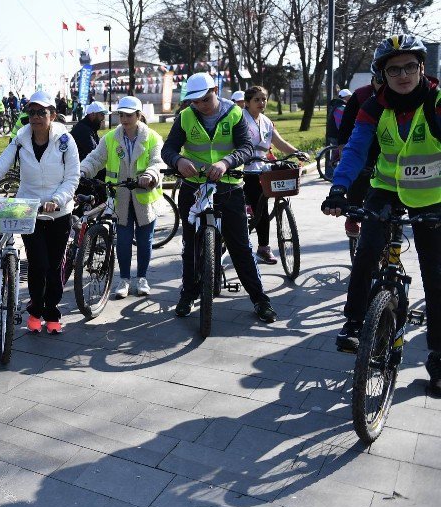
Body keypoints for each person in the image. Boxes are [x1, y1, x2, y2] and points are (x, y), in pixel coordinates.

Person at [321, 35, 441, 387]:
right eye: (393, 69)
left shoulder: (435, 103)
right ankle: (355, 324)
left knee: (435, 274)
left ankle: (437, 355)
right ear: (383, 74)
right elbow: (356, 148)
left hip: (432, 197)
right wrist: (339, 188)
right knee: (366, 251)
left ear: (421, 68)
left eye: (409, 66)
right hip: (386, 189)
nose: (402, 74)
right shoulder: (374, 107)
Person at [161, 72, 278, 324]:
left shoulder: (234, 114)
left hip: (229, 188)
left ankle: (259, 299)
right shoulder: (185, 116)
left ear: (216, 90)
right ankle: (188, 294)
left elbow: (246, 148)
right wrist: (178, 160)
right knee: (191, 246)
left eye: (204, 99)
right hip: (194, 188)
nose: (200, 105)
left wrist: (226, 163)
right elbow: (168, 149)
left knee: (241, 247)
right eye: (195, 101)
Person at [0, 91, 80, 334]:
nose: (36, 117)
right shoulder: (20, 140)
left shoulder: (66, 141)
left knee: (54, 265)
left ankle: (52, 312)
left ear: (53, 115)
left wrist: (57, 200)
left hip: (59, 213)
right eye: (32, 112)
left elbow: (72, 178)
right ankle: (36, 310)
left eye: (41, 112)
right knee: (38, 264)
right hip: (29, 211)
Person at [79, 96, 165, 298]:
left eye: (128, 115)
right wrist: (82, 171)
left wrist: (150, 175)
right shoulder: (110, 138)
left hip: (145, 198)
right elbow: (95, 158)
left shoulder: (152, 137)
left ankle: (142, 278)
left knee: (145, 241)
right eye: (121, 115)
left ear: (138, 115)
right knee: (123, 241)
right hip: (121, 198)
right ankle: (124, 279)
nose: (124, 119)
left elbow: (157, 161)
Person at [240, 86, 310, 264]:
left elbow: (279, 142)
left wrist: (298, 152)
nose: (262, 103)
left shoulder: (266, 121)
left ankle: (263, 248)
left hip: (263, 169)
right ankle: (246, 245)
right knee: (254, 211)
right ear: (247, 102)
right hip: (244, 169)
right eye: (257, 99)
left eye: (263, 99)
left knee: (262, 210)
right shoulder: (239, 119)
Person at [336, 80, 383, 238]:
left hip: (391, 154)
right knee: (358, 175)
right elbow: (346, 127)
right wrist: (344, 153)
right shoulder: (362, 95)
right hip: (364, 148)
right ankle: (353, 216)